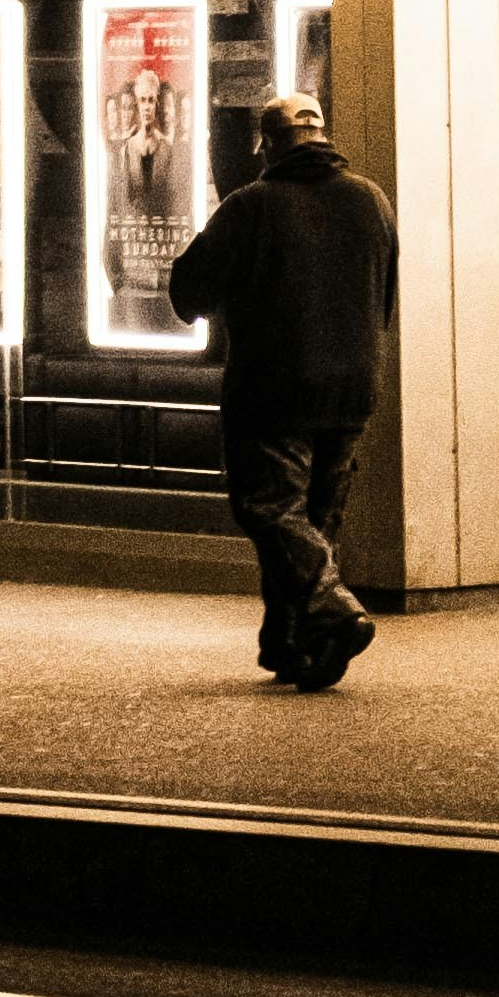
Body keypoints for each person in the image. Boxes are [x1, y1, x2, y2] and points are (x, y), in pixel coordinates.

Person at [170, 97, 399, 689]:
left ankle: (334, 608)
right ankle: (295, 645)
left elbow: (189, 291)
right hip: (353, 387)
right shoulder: (372, 201)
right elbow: (385, 296)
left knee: (269, 508)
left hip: (275, 389)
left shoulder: (251, 206)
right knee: (316, 521)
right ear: (323, 135)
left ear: (268, 144)